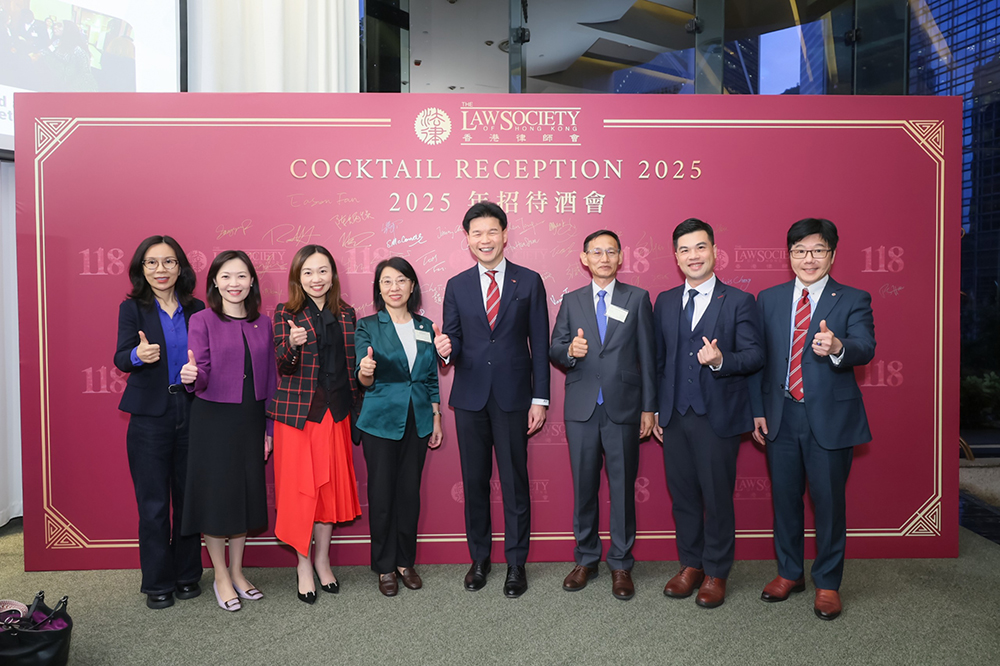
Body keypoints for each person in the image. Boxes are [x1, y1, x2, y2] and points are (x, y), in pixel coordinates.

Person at [750, 218, 876, 621]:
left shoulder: (853, 298)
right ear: (789, 255)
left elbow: (865, 346)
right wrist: (757, 410)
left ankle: (827, 583)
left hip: (830, 418)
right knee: (785, 501)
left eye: (818, 250)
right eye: (800, 251)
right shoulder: (768, 299)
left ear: (832, 255)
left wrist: (838, 346)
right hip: (781, 415)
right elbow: (759, 360)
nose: (809, 259)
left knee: (829, 505)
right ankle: (789, 573)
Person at [433, 201, 550, 598]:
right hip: (470, 398)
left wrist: (540, 399)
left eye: (491, 231)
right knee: (474, 482)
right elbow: (453, 338)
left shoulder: (528, 281)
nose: (485, 239)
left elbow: (540, 343)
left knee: (515, 483)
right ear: (467, 239)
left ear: (504, 234)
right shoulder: (457, 285)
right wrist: (446, 349)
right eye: (477, 233)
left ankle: (516, 564)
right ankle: (480, 559)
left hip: (514, 397)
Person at [652, 218, 764, 609]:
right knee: (683, 497)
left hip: (717, 417)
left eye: (700, 247)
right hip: (675, 415)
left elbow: (754, 355)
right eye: (684, 249)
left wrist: (720, 360)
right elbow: (658, 361)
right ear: (676, 256)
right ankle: (691, 565)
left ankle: (717, 571)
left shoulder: (739, 301)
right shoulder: (665, 301)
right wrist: (656, 409)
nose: (693, 256)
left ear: (715, 251)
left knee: (716, 498)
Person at [548, 229, 656, 601]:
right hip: (582, 407)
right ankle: (586, 558)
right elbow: (555, 346)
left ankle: (621, 563)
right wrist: (570, 351)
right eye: (597, 252)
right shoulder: (571, 300)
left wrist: (649, 407)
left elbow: (648, 357)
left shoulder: (637, 298)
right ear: (584, 258)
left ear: (621, 257)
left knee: (623, 488)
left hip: (623, 407)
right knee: (584, 487)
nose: (604, 258)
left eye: (611, 251)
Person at [180, 250, 277, 612]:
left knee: (244, 496)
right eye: (225, 276)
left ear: (251, 281)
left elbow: (271, 379)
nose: (233, 283)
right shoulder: (202, 320)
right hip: (213, 419)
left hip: (251, 418)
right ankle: (220, 575)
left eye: (240, 276)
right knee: (217, 497)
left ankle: (237, 571)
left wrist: (269, 427)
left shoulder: (264, 323)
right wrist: (192, 377)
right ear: (215, 282)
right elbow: (201, 370)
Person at [266, 245, 362, 604]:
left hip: (335, 416)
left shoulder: (347, 314)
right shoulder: (285, 313)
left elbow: (354, 367)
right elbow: (283, 365)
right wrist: (292, 345)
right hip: (298, 418)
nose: (316, 278)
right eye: (307, 272)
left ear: (332, 276)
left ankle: (323, 560)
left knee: (328, 493)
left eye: (322, 271)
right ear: (297, 277)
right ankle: (303, 564)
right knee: (300, 494)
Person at [113, 235, 204, 609]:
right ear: (142, 269)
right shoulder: (132, 308)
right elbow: (120, 357)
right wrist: (138, 354)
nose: (160, 269)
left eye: (168, 262)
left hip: (192, 411)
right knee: (152, 505)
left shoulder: (198, 308)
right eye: (152, 262)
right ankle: (158, 582)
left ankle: (187, 575)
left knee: (187, 500)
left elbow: (209, 358)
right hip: (151, 417)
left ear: (180, 267)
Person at [354, 257, 443, 597]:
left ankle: (406, 562)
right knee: (381, 496)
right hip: (380, 421)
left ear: (412, 286)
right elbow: (363, 375)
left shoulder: (426, 326)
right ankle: (385, 566)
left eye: (401, 280)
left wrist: (436, 416)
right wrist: (365, 371)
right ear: (378, 288)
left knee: (409, 495)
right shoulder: (367, 326)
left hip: (418, 420)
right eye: (387, 281)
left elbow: (430, 377)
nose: (395, 287)